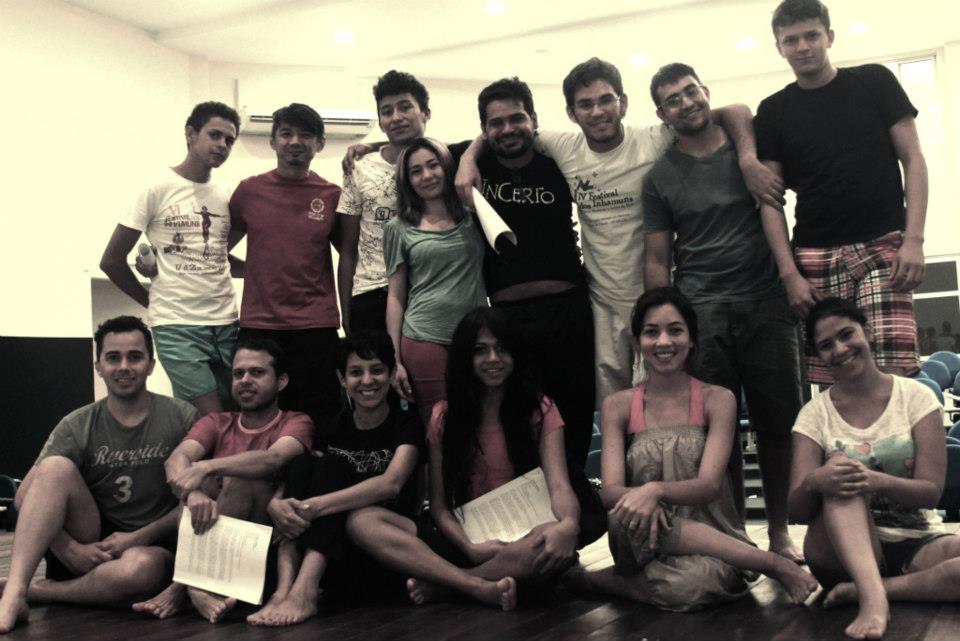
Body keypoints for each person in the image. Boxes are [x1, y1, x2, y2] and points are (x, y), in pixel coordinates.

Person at [456, 58, 785, 407]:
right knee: (614, 408)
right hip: (601, 306)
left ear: (623, 103)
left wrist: (748, 159)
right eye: (586, 104)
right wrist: (468, 158)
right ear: (571, 113)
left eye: (606, 100)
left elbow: (734, 111)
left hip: (658, 295)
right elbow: (507, 131)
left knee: (668, 404)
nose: (597, 111)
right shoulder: (563, 146)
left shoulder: (655, 139)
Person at [566, 288, 817, 611]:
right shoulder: (618, 405)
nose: (664, 342)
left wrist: (655, 490)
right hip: (639, 532)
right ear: (637, 342)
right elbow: (611, 492)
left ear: (692, 339)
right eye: (651, 332)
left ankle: (603, 582)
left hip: (714, 541)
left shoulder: (718, 399)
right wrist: (645, 502)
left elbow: (708, 486)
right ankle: (770, 563)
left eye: (675, 330)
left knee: (691, 586)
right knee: (626, 517)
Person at [642, 63, 804, 558]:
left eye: (690, 91)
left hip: (767, 303)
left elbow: (740, 111)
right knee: (718, 433)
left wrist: (748, 157)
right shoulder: (659, 177)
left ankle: (779, 532)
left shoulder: (745, 147)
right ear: (662, 115)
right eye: (672, 99)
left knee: (780, 425)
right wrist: (663, 328)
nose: (686, 102)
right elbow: (657, 259)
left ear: (705, 91)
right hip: (702, 313)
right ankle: (735, 535)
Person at [347, 307, 605, 608]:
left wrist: (569, 524)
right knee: (362, 521)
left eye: (502, 348)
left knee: (548, 539)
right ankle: (476, 583)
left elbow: (560, 486)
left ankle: (450, 584)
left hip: (522, 537)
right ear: (465, 358)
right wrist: (469, 546)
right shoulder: (444, 416)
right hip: (463, 538)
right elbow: (440, 507)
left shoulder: (540, 408)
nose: (493, 359)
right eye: (480, 350)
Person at [755, 0, 928, 385]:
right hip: (815, 254)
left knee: (894, 374)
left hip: (882, 243)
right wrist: (788, 274)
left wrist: (914, 240)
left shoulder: (875, 82)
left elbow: (914, 159)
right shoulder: (772, 111)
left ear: (829, 37)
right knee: (834, 374)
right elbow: (769, 200)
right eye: (791, 40)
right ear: (779, 47)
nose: (803, 46)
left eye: (812, 35)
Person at [0, 316, 199, 634]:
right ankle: (14, 593)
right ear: (99, 366)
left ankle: (38, 591)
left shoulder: (182, 417)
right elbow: (24, 497)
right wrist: (69, 549)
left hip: (151, 547)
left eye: (135, 357)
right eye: (113, 357)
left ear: (151, 365)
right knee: (55, 467)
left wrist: (141, 536)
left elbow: (201, 498)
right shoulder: (77, 424)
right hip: (92, 540)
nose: (124, 367)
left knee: (141, 568)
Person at [445, 77, 595, 469]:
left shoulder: (557, 161)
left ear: (534, 120)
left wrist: (470, 154)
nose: (508, 129)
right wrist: (364, 147)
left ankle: (576, 496)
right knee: (519, 419)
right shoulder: (472, 163)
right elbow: (412, 150)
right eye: (496, 123)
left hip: (568, 311)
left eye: (517, 119)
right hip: (508, 320)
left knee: (575, 413)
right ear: (483, 130)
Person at [789, 297, 959, 640]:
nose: (839, 349)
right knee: (841, 473)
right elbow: (796, 511)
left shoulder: (917, 398)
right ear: (818, 355)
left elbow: (930, 494)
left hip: (917, 540)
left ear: (867, 332)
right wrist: (815, 481)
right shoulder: (813, 415)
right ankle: (872, 599)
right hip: (838, 551)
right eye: (826, 345)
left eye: (846, 334)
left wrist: (875, 480)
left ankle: (874, 589)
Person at [246, 332, 423, 626]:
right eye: (356, 372)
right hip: (335, 551)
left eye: (377, 370)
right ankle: (284, 591)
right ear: (342, 379)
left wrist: (315, 506)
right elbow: (303, 479)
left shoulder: (407, 423)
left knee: (334, 467)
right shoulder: (333, 426)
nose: (367, 380)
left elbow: (390, 484)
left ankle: (305, 590)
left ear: (392, 374)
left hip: (383, 547)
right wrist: (276, 503)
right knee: (306, 463)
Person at [132, 338, 314, 622]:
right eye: (239, 373)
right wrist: (192, 494)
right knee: (201, 486)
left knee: (237, 478)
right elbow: (176, 460)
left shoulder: (296, 421)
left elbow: (273, 458)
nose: (245, 380)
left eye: (257, 372)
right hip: (216, 549)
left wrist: (207, 467)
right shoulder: (217, 422)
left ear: (281, 381)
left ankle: (184, 586)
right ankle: (196, 584)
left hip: (264, 550)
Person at [100, 102, 241, 416]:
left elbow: (217, 256)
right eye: (215, 135)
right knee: (211, 416)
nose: (222, 145)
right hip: (177, 324)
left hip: (226, 322)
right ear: (191, 134)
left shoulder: (225, 194)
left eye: (229, 140)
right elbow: (111, 261)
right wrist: (151, 301)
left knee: (237, 411)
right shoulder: (156, 187)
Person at [228, 103, 345, 443]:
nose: (295, 141)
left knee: (319, 421)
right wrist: (255, 270)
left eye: (305, 135)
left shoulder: (331, 195)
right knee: (256, 420)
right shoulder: (249, 191)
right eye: (286, 133)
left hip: (316, 326)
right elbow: (216, 251)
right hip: (259, 325)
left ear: (319, 144)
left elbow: (355, 257)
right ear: (272, 141)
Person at [384, 137, 487, 423]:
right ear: (407, 180)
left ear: (446, 166)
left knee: (480, 419)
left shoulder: (474, 216)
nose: (427, 175)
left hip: (476, 337)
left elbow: (486, 137)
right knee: (437, 427)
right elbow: (395, 295)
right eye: (416, 171)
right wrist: (394, 359)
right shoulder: (397, 228)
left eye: (433, 165)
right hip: (423, 338)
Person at [337, 70, 431, 335]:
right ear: (380, 121)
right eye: (387, 111)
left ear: (425, 113)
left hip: (427, 289)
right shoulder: (358, 168)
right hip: (371, 293)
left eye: (405, 107)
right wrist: (346, 312)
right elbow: (348, 248)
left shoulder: (442, 164)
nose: (396, 117)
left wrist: (369, 144)